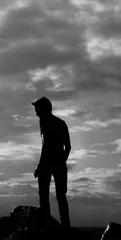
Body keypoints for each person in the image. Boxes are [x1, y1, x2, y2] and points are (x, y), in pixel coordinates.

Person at [32, 97, 71, 229]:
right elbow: (68, 147)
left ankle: (47, 227)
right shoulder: (61, 123)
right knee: (60, 197)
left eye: (37, 110)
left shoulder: (44, 121)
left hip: (47, 163)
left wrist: (39, 166)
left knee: (44, 196)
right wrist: (61, 161)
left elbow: (46, 146)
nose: (36, 113)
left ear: (44, 109)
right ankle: (65, 227)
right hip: (58, 163)